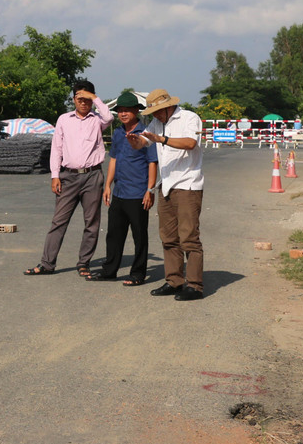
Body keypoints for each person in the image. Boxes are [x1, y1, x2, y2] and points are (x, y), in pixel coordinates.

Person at [24, 80, 113, 277]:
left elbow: (109, 117)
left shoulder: (97, 120)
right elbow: (56, 148)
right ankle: (47, 263)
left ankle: (84, 263)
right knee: (59, 221)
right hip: (68, 176)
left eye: (87, 99)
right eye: (80, 99)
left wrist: (94, 98)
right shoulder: (64, 119)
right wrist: (55, 175)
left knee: (91, 223)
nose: (84, 103)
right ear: (74, 99)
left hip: (92, 176)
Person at [125, 88, 204, 301]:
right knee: (168, 237)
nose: (156, 116)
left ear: (169, 107)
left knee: (189, 237)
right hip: (166, 185)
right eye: (153, 113)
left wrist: (162, 139)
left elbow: (190, 143)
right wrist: (135, 142)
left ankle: (195, 285)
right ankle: (174, 280)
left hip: (188, 185)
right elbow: (144, 142)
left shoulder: (189, 118)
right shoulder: (156, 122)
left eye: (159, 111)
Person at [86, 91, 157, 285]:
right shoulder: (118, 133)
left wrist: (150, 191)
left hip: (138, 193)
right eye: (120, 111)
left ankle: (138, 274)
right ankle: (109, 271)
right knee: (114, 235)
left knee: (139, 236)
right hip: (119, 192)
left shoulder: (145, 134)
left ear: (136, 111)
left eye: (127, 110)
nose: (123, 114)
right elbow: (114, 159)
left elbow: (152, 163)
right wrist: (108, 186)